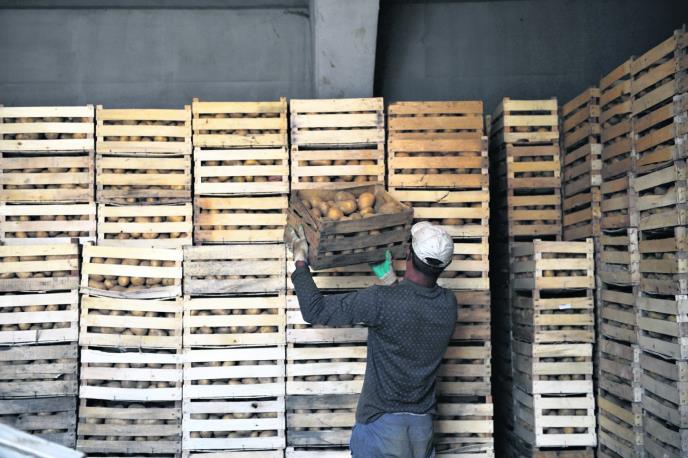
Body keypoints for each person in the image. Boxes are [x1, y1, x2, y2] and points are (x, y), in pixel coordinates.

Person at [285, 221, 458, 458]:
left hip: (382, 428)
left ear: (408, 253)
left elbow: (315, 310)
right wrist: (391, 281)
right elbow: (413, 311)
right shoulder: (448, 304)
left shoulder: (381, 300)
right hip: (422, 430)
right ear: (445, 265)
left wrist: (300, 260)